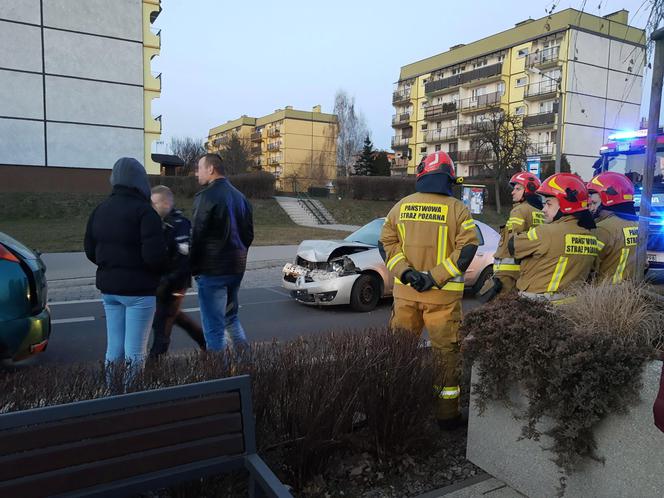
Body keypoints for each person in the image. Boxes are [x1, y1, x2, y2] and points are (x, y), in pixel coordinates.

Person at [379, 152, 479, 430]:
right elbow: (467, 250)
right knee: (445, 355)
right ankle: (447, 415)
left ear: (422, 175)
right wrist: (434, 278)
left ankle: (395, 404)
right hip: (443, 299)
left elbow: (386, 245)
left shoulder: (400, 207)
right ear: (449, 177)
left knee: (398, 352)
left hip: (405, 295)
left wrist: (407, 274)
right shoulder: (458, 209)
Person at [84, 157, 167, 375]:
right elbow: (154, 256)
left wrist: (111, 265)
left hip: (110, 290)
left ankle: (112, 395)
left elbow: (90, 250)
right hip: (139, 291)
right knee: (136, 352)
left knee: (114, 348)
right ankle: (133, 401)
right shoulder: (145, 212)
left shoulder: (99, 210)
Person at [190, 153, 254, 354]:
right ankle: (247, 365)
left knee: (213, 329)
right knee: (231, 319)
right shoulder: (241, 198)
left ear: (210, 169)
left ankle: (219, 380)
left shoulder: (206, 197)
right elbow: (249, 235)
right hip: (235, 268)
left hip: (212, 271)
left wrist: (192, 268)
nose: (196, 173)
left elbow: (197, 236)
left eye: (199, 167)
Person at [510, 173, 598, 301]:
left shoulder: (546, 232)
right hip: (573, 304)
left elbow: (513, 245)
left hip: (537, 304)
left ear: (565, 205)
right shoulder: (591, 237)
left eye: (549, 204)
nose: (544, 209)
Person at [149, 185, 206, 357]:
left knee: (163, 322)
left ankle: (154, 363)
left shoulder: (180, 224)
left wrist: (168, 281)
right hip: (162, 282)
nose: (152, 207)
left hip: (176, 283)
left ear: (166, 203)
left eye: (155, 203)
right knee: (174, 316)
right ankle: (205, 341)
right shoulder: (157, 222)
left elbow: (183, 258)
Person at [479, 172, 544, 301]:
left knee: (499, 309)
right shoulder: (540, 213)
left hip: (506, 273)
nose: (512, 192)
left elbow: (513, 241)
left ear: (529, 190)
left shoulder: (519, 210)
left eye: (518, 188)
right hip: (524, 271)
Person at [588, 172, 641, 283]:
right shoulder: (638, 226)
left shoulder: (602, 229)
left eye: (594, 203)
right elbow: (644, 265)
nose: (591, 208)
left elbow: (587, 267)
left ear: (608, 202)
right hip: (631, 292)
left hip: (602, 294)